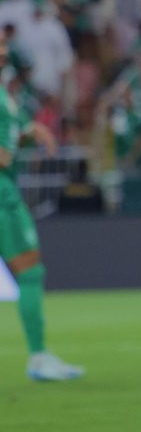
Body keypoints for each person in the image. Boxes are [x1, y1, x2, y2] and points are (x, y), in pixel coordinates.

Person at [0, 37, 84, 381]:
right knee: (30, 273)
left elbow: (10, 134)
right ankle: (38, 357)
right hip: (2, 194)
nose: (3, 50)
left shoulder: (6, 94)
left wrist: (29, 132)